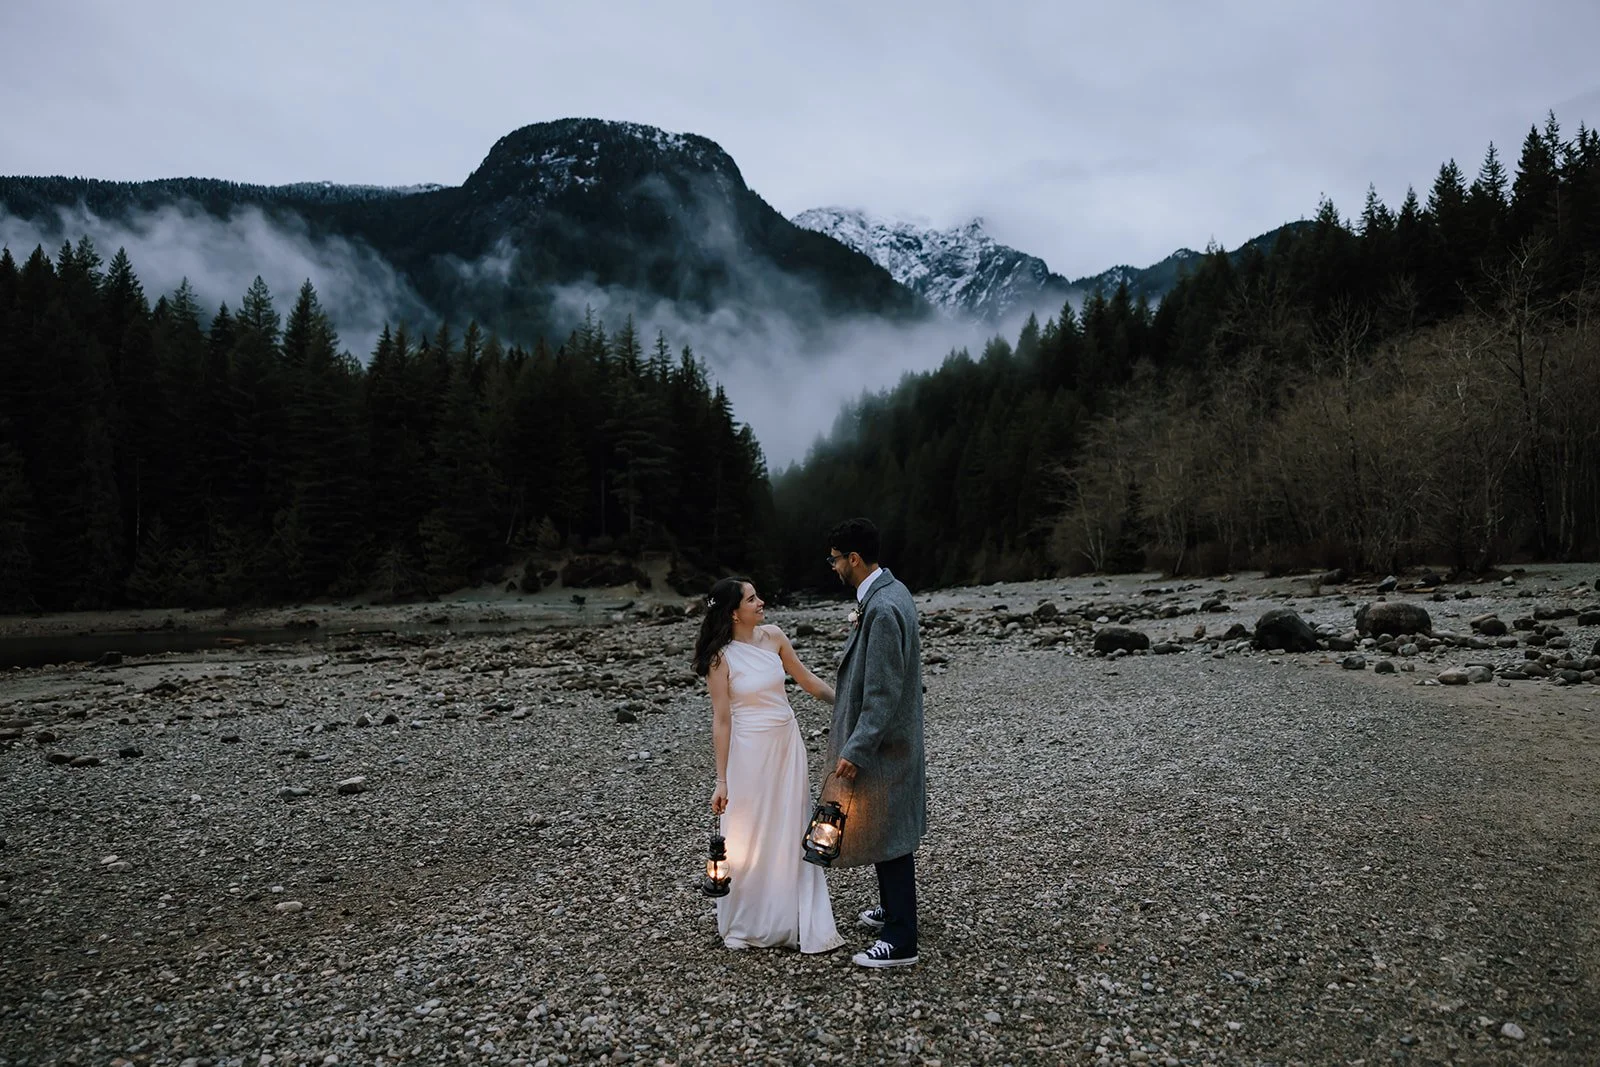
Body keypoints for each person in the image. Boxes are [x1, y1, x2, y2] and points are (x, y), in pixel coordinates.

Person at [692, 577, 845, 954]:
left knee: (790, 823)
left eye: (757, 596)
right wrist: (721, 780)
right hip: (749, 751)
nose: (761, 602)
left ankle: (791, 913)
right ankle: (751, 919)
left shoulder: (774, 636)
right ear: (734, 612)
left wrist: (846, 704)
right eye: (752, 599)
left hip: (786, 745)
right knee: (750, 831)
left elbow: (806, 680)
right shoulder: (720, 657)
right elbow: (722, 719)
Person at [823, 517, 926, 968]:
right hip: (895, 741)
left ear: (855, 559)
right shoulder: (892, 591)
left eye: (835, 559)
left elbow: (882, 694)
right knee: (890, 827)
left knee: (889, 832)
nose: (833, 567)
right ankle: (893, 908)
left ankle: (901, 938)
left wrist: (855, 749)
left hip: (886, 746)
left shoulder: (882, 609)